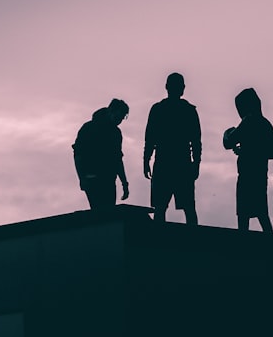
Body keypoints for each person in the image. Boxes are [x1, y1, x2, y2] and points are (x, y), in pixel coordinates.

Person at [144, 73, 201, 225]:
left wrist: (146, 160)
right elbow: (196, 141)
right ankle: (194, 240)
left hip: (164, 162)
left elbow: (150, 139)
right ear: (182, 88)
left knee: (161, 207)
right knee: (187, 207)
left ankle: (158, 240)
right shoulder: (189, 110)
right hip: (181, 163)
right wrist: (196, 164)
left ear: (167, 87)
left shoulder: (158, 109)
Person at [223, 88, 273, 233]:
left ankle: (243, 249)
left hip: (248, 176)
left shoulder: (249, 121)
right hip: (260, 176)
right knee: (262, 214)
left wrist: (227, 132)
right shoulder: (265, 124)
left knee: (244, 216)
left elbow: (228, 142)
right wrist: (247, 151)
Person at [73, 99, 130, 211]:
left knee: (108, 214)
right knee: (99, 214)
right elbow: (78, 155)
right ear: (110, 111)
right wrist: (82, 178)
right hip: (92, 178)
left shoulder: (116, 133)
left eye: (121, 119)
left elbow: (118, 159)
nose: (119, 121)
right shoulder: (89, 128)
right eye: (118, 117)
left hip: (108, 179)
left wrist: (124, 183)